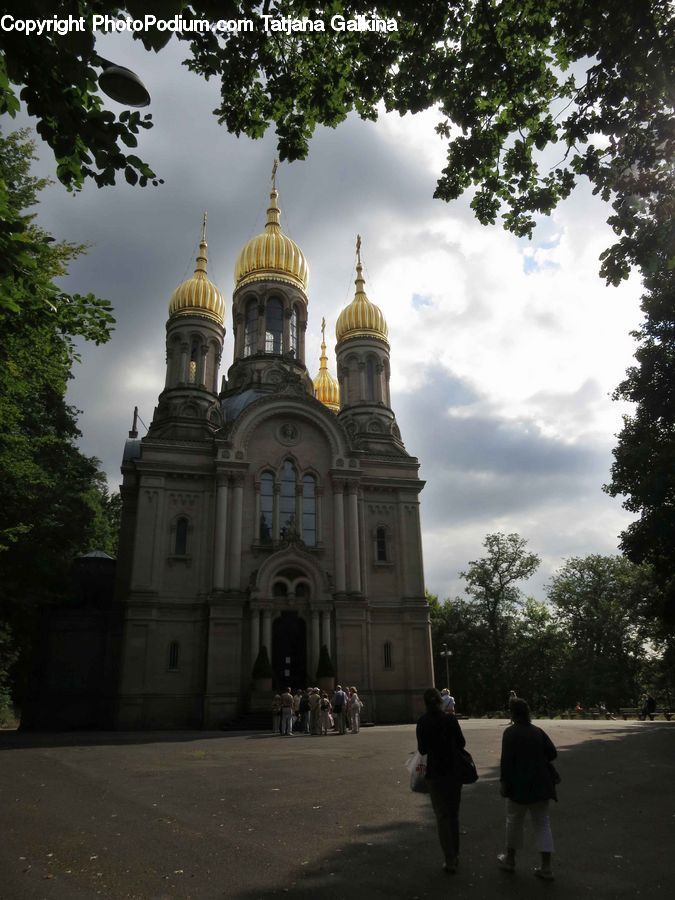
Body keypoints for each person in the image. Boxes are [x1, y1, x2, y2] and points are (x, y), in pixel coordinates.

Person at [498, 698, 558, 881]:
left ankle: (510, 859)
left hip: (518, 785)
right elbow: (552, 753)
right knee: (542, 824)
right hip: (541, 783)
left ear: (513, 714)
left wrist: (504, 783)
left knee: (514, 822)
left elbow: (506, 762)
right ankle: (546, 866)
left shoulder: (509, 733)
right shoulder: (538, 732)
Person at [416, 687, 468, 873]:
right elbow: (462, 743)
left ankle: (449, 858)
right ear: (440, 701)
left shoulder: (422, 722)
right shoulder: (450, 719)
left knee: (442, 816)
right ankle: (456, 853)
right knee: (453, 815)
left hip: (434, 773)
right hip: (453, 771)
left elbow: (422, 750)